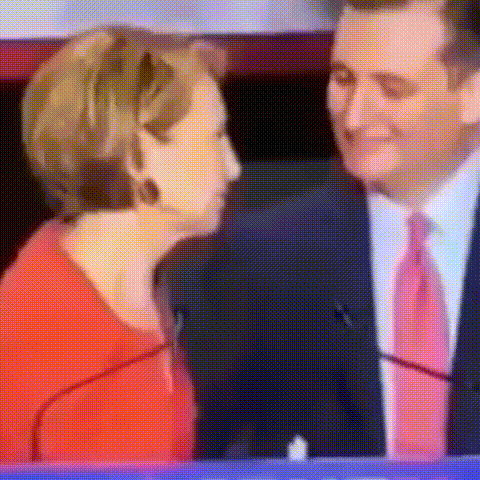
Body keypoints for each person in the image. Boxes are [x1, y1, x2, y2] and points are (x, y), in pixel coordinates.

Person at [172, 0, 480, 459]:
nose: (353, 117)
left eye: (392, 89)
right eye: (343, 79)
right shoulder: (261, 261)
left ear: (473, 93)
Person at [0, 26, 240, 463]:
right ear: (138, 156)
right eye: (215, 137)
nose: (233, 167)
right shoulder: (30, 328)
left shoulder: (162, 296)